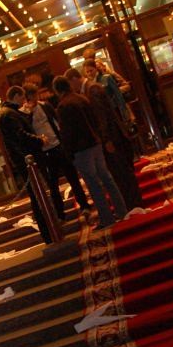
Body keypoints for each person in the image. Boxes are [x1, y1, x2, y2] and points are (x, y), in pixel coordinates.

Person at [52, 75, 127, 230]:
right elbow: (95, 120)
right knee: (106, 178)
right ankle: (121, 210)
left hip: (81, 148)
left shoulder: (63, 106)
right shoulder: (82, 98)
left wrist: (69, 152)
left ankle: (106, 218)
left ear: (57, 90)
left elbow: (67, 132)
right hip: (95, 143)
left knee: (94, 184)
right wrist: (100, 137)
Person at [66, 68, 143, 211]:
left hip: (112, 138)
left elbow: (102, 117)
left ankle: (134, 203)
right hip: (111, 137)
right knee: (119, 172)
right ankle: (131, 203)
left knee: (121, 171)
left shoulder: (92, 89)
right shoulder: (90, 89)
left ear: (74, 79)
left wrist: (106, 140)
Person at [22, 83, 91, 219]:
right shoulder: (24, 113)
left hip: (57, 145)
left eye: (35, 95)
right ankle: (60, 213)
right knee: (52, 185)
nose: (35, 98)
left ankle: (84, 205)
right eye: (32, 96)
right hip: (44, 152)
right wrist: (29, 112)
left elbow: (57, 121)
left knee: (72, 177)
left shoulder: (45, 106)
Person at [0, 85, 54, 243]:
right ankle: (48, 231)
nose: (24, 101)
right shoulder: (9, 114)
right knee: (37, 196)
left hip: (23, 159)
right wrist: (39, 140)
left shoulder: (7, 113)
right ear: (16, 96)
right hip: (26, 159)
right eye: (22, 97)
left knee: (37, 196)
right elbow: (21, 135)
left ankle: (49, 230)